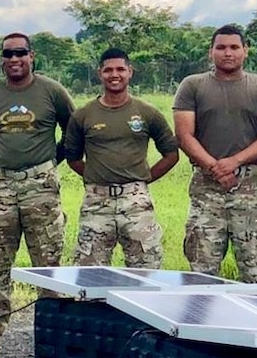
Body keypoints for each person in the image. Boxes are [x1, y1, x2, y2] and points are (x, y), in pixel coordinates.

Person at [0, 32, 74, 358]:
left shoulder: (52, 92)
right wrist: (5, 160)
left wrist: (47, 162)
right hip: (1, 189)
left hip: (41, 188)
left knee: (49, 268)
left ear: (32, 56)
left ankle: (54, 342)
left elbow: (73, 132)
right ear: (1, 58)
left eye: (21, 53)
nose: (15, 60)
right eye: (8, 54)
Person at [173, 24, 257, 281]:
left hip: (250, 187)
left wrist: (234, 161)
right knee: (202, 267)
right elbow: (184, 135)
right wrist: (215, 167)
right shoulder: (192, 86)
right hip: (206, 187)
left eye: (234, 47)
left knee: (255, 266)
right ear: (210, 51)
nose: (228, 53)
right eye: (221, 47)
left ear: (245, 51)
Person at [63, 49, 179, 268]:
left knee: (146, 270)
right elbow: (73, 158)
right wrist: (97, 176)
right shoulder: (83, 115)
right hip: (96, 204)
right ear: (100, 73)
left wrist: (142, 180)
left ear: (130, 72)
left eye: (120, 69)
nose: (114, 75)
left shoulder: (148, 112)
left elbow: (171, 154)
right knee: (89, 271)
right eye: (108, 70)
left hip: (136, 203)